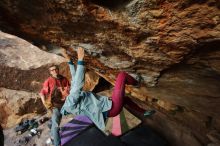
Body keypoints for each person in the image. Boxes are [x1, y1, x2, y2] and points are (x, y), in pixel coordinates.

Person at [61, 47, 155, 132]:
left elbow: (74, 78)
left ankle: (144, 112)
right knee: (122, 75)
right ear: (62, 98)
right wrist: (80, 60)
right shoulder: (70, 102)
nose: (65, 87)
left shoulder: (70, 100)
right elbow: (77, 83)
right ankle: (138, 83)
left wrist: (69, 60)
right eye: (62, 89)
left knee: (125, 100)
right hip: (112, 108)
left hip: (110, 108)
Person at [39, 63, 70, 146]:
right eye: (52, 70)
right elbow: (42, 92)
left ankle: (52, 131)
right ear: (50, 72)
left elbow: (68, 89)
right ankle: (57, 143)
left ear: (58, 70)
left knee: (56, 121)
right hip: (55, 106)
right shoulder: (48, 81)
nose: (55, 71)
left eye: (56, 69)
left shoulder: (64, 79)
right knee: (56, 124)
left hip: (64, 104)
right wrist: (44, 102)